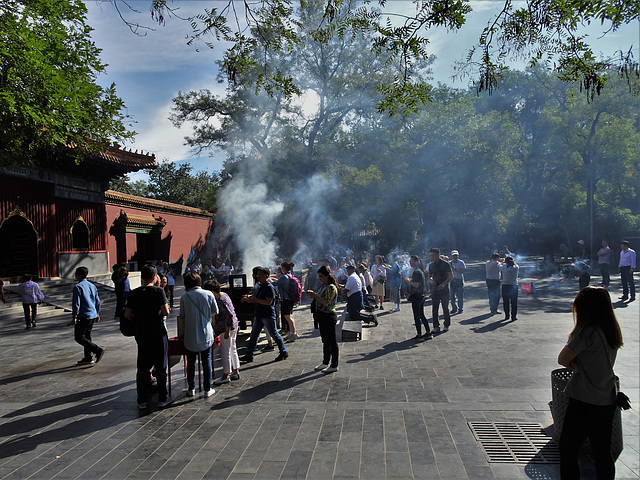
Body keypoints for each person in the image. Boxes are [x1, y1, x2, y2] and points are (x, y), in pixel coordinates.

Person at [557, 286, 624, 479]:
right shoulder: (611, 330)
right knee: (602, 451)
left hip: (584, 399)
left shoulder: (586, 333)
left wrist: (575, 364)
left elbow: (562, 359)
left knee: (569, 449)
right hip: (607, 398)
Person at [125, 265, 171, 409]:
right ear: (154, 277)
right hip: (158, 332)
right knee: (161, 366)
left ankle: (141, 400)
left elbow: (127, 314)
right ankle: (162, 398)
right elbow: (166, 311)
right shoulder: (159, 291)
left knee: (143, 367)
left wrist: (139, 320)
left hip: (142, 333)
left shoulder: (134, 293)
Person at [178, 272, 217, 398]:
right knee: (206, 361)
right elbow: (215, 311)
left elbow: (182, 315)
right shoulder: (209, 294)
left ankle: (191, 388)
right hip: (206, 333)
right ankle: (207, 389)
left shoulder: (184, 297)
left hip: (190, 334)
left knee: (191, 362)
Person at [240, 267, 288, 363]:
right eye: (257, 275)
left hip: (267, 315)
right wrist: (248, 298)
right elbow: (255, 297)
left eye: (260, 275)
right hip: (259, 314)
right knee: (254, 335)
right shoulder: (260, 286)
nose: (258, 277)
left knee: (274, 334)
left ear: (266, 276)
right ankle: (249, 355)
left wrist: (255, 300)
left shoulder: (269, 287)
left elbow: (269, 302)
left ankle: (283, 351)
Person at [203, 279, 241, 384]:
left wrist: (227, 331)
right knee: (232, 348)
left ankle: (226, 374)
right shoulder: (224, 295)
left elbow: (229, 315)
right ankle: (235, 370)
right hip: (233, 326)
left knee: (225, 351)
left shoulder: (221, 300)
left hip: (227, 329)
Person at [304, 265, 339, 373]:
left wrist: (314, 295)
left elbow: (326, 302)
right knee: (325, 340)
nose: (320, 279)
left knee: (332, 341)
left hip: (329, 315)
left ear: (327, 276)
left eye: (321, 277)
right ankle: (325, 362)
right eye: (319, 277)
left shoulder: (331, 287)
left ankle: (334, 364)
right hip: (322, 315)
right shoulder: (324, 286)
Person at [72, 267, 105, 365]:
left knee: (79, 337)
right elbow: (97, 300)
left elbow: (76, 303)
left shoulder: (78, 287)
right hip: (92, 314)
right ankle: (88, 356)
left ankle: (97, 349)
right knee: (87, 335)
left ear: (78, 274)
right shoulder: (92, 286)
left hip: (83, 314)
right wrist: (97, 312)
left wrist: (74, 316)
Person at [404, 255, 432, 340]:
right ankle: (428, 332)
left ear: (416, 262)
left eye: (411, 261)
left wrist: (408, 280)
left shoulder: (416, 272)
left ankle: (419, 335)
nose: (410, 263)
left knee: (417, 316)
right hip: (421, 295)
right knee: (422, 315)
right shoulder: (420, 271)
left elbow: (416, 285)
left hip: (417, 296)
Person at [271, 261, 299, 341]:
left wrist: (269, 280)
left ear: (283, 268)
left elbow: (275, 283)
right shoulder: (289, 276)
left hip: (286, 299)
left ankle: (293, 334)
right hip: (289, 299)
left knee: (287, 316)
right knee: (289, 316)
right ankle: (291, 333)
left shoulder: (284, 277)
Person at [428, 248, 453, 333]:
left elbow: (450, 276)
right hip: (435, 288)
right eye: (431, 256)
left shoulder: (445, 264)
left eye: (433, 255)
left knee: (445, 307)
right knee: (435, 308)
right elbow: (429, 276)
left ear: (438, 255)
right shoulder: (431, 265)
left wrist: (444, 284)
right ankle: (436, 326)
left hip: (444, 288)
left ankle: (446, 324)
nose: (432, 257)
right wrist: (431, 280)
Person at [500, 256, 519, 321]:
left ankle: (507, 316)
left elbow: (499, 265)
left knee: (506, 302)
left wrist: (503, 262)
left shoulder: (504, 267)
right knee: (514, 302)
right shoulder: (516, 268)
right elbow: (515, 264)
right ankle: (513, 316)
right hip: (514, 286)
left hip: (505, 285)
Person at [449, 250, 465, 314]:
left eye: (456, 255)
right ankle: (454, 308)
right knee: (452, 296)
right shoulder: (449, 263)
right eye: (454, 256)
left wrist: (454, 269)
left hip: (459, 280)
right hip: (452, 280)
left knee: (460, 296)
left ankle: (460, 308)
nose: (455, 257)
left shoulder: (461, 262)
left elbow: (462, 271)